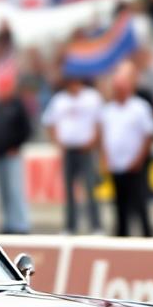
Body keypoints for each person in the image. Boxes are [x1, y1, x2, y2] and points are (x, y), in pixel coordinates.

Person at [42, 76, 103, 234]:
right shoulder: (60, 100)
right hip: (69, 149)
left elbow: (100, 122)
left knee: (90, 188)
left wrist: (94, 141)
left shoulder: (92, 97)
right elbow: (49, 122)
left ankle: (96, 225)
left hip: (86, 149)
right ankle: (70, 226)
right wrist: (57, 142)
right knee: (69, 190)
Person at [102, 65, 153, 237]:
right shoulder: (108, 110)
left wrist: (139, 159)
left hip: (135, 164)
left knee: (140, 203)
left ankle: (148, 236)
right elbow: (103, 136)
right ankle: (121, 236)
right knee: (119, 205)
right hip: (116, 164)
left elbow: (149, 135)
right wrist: (105, 158)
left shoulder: (140, 107)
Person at [0, 72, 32, 234]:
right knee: (3, 191)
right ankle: (8, 222)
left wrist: (16, 146)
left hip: (11, 154)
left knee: (15, 190)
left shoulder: (17, 107)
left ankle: (21, 224)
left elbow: (26, 130)